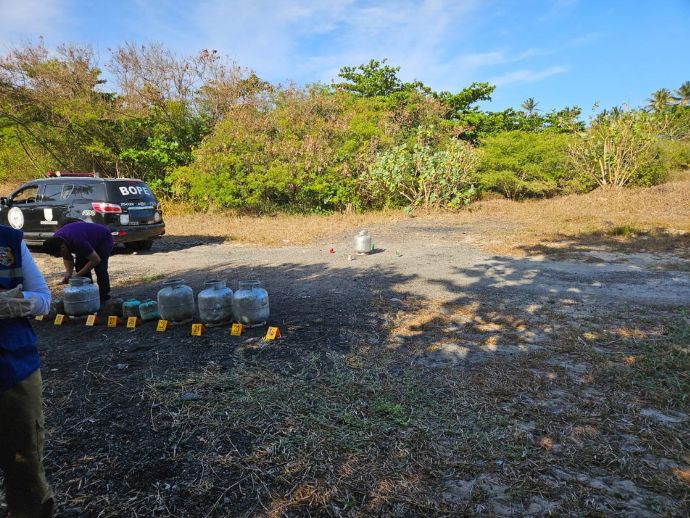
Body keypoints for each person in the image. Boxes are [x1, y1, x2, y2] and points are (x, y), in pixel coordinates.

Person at [0, 224, 53, 517]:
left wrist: (20, 304)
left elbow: (44, 299)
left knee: (25, 465)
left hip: (15, 369)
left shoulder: (9, 242)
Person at [42, 221, 114, 302]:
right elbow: (67, 258)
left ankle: (104, 297)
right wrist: (68, 274)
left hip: (103, 239)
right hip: (85, 239)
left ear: (62, 247)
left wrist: (77, 275)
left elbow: (95, 260)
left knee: (100, 268)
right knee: (80, 266)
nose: (62, 256)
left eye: (60, 254)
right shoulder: (56, 241)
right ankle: (88, 293)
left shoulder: (78, 241)